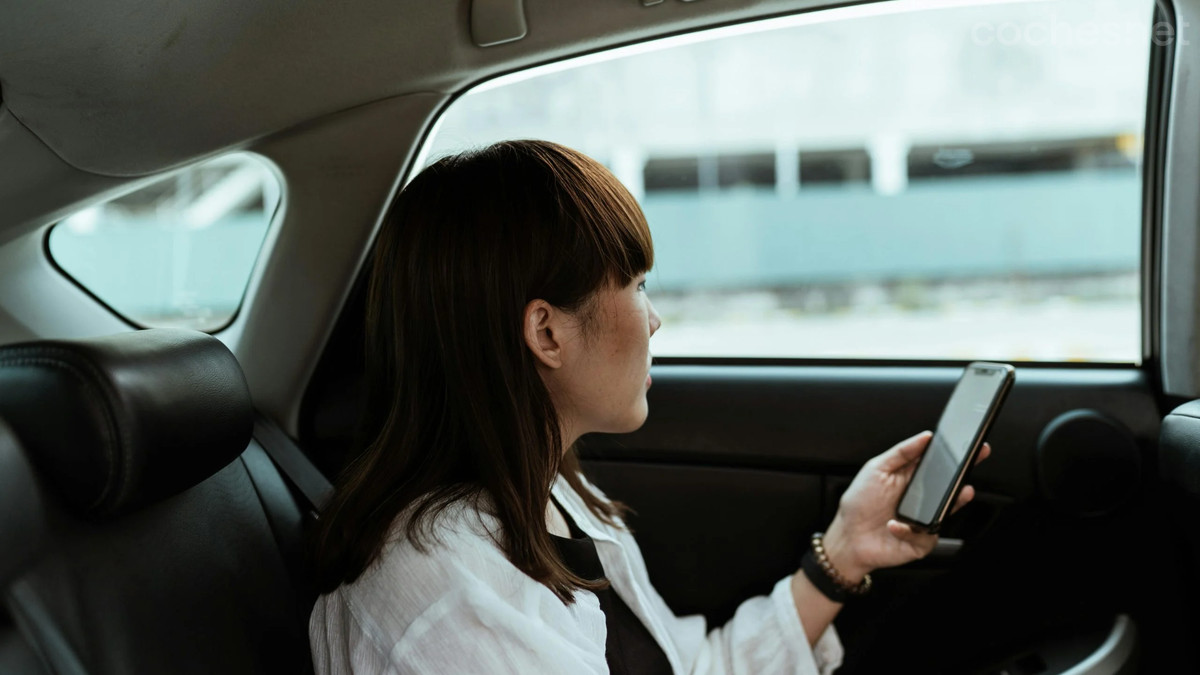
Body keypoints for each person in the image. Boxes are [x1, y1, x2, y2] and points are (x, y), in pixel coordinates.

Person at [307, 139, 987, 674]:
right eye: (635, 284)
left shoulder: (549, 497)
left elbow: (683, 668)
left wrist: (842, 552)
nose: (654, 319)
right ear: (547, 332)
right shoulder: (451, 596)